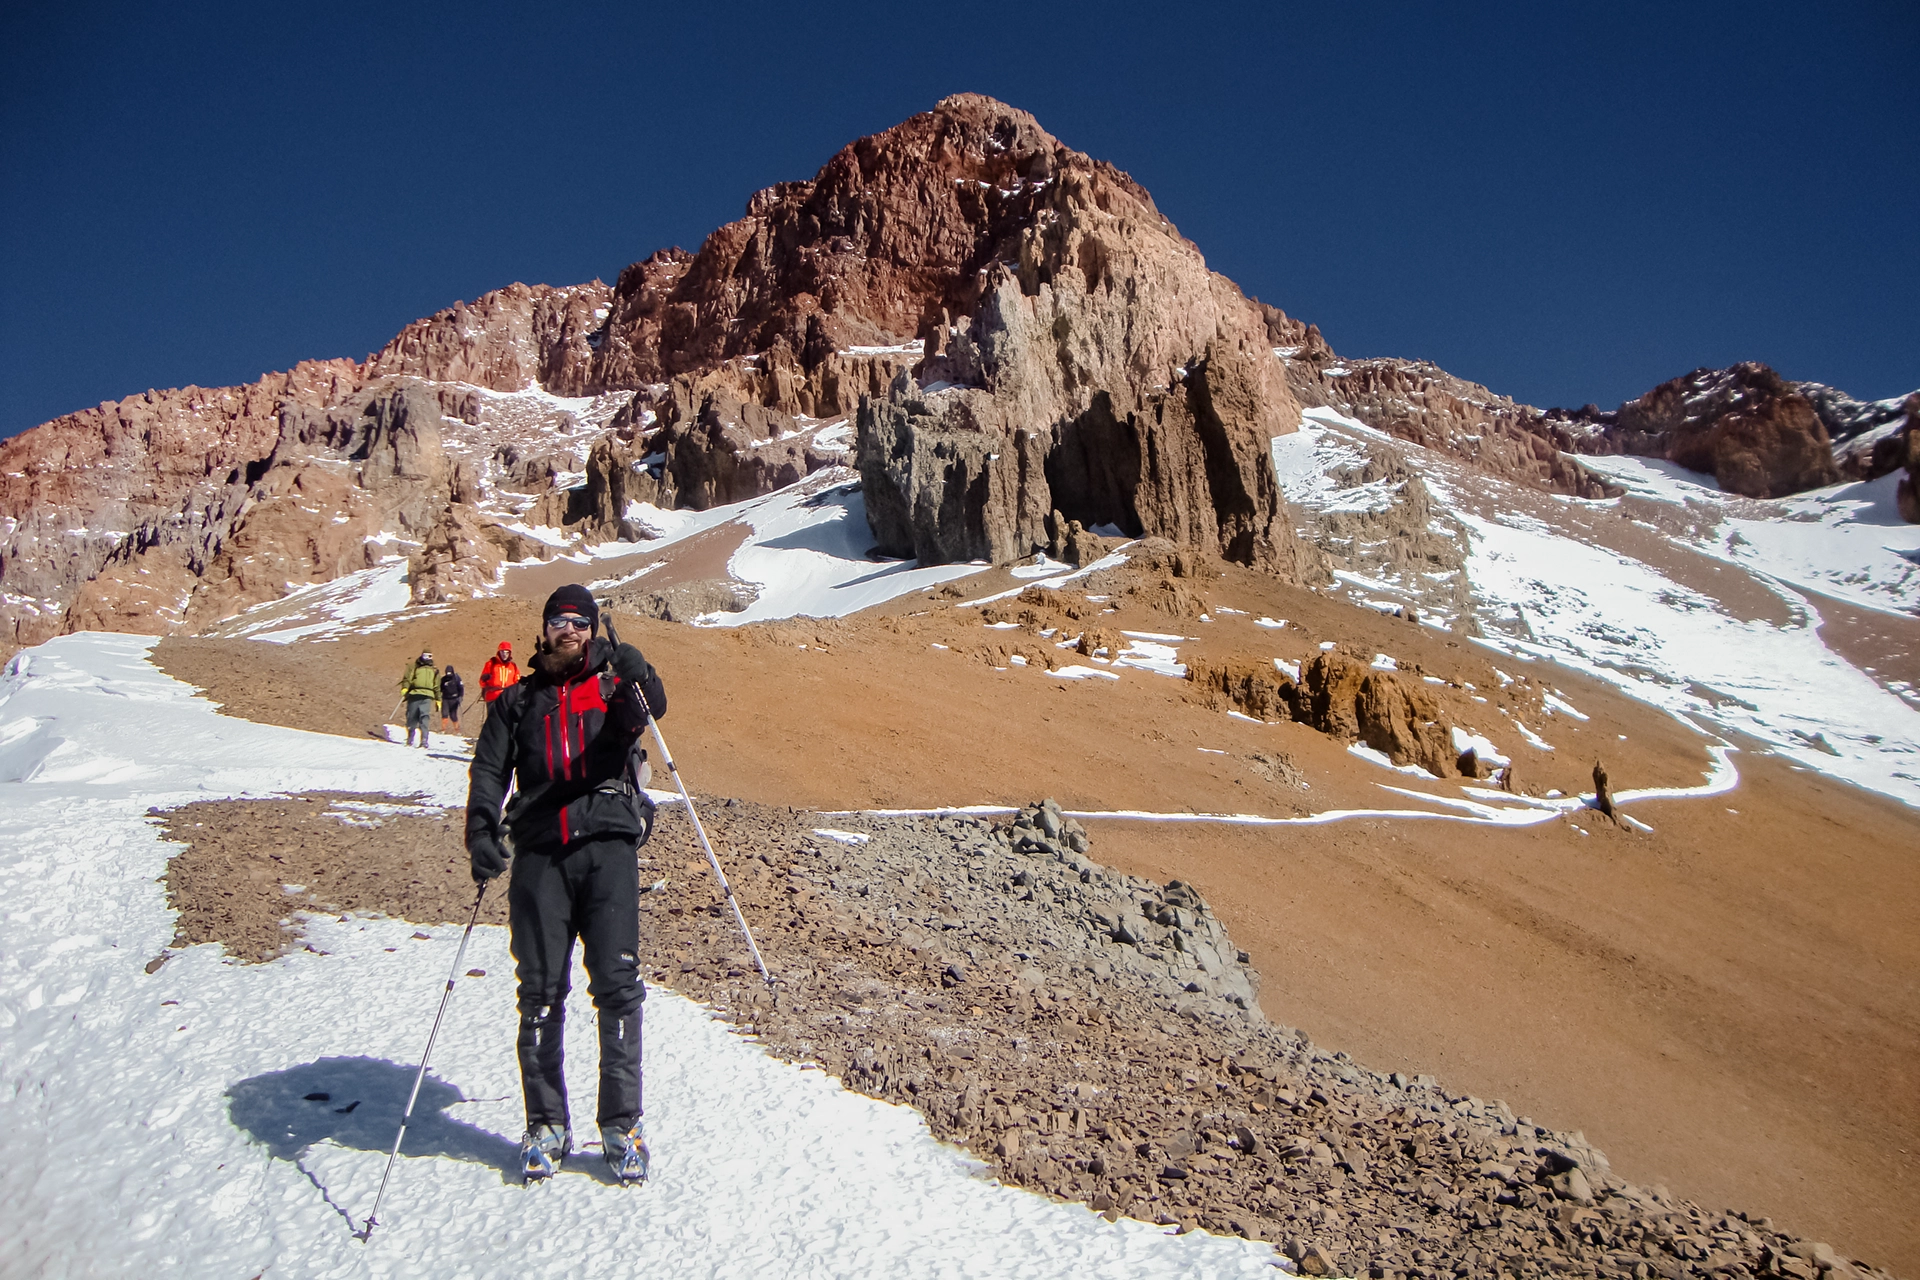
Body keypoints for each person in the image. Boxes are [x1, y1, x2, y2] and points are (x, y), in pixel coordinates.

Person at [466, 584, 667, 1184]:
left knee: (617, 986)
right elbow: (489, 769)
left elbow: (651, 707)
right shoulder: (519, 701)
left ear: (594, 629)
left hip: (607, 850)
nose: (569, 631)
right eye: (559, 621)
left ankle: (621, 1126)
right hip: (539, 857)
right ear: (544, 630)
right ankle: (546, 1125)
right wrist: (481, 832)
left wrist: (640, 672)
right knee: (541, 992)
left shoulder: (612, 687)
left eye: (580, 623)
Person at [398, 651, 440, 748]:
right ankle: (410, 737)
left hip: (427, 696)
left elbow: (437, 685)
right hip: (415, 693)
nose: (429, 658)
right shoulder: (415, 667)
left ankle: (424, 740)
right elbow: (407, 679)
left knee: (424, 717)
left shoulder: (434, 670)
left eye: (430, 656)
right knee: (412, 717)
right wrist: (405, 687)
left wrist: (438, 699)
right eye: (427, 655)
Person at [479, 642, 519, 726]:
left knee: (507, 720)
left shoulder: (513, 666)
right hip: (493, 696)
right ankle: (490, 738)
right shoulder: (491, 664)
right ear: (499, 652)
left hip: (508, 697)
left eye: (507, 652)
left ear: (509, 653)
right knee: (493, 720)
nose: (504, 654)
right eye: (502, 652)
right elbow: (482, 682)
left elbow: (517, 682)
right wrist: (484, 680)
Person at [439, 664, 465, 733]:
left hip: (454, 699)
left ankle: (457, 730)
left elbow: (461, 688)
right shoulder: (443, 679)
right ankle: (443, 730)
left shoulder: (457, 678)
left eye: (450, 672)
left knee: (453, 715)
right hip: (445, 699)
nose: (448, 674)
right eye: (447, 673)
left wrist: (460, 697)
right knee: (444, 714)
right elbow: (440, 689)